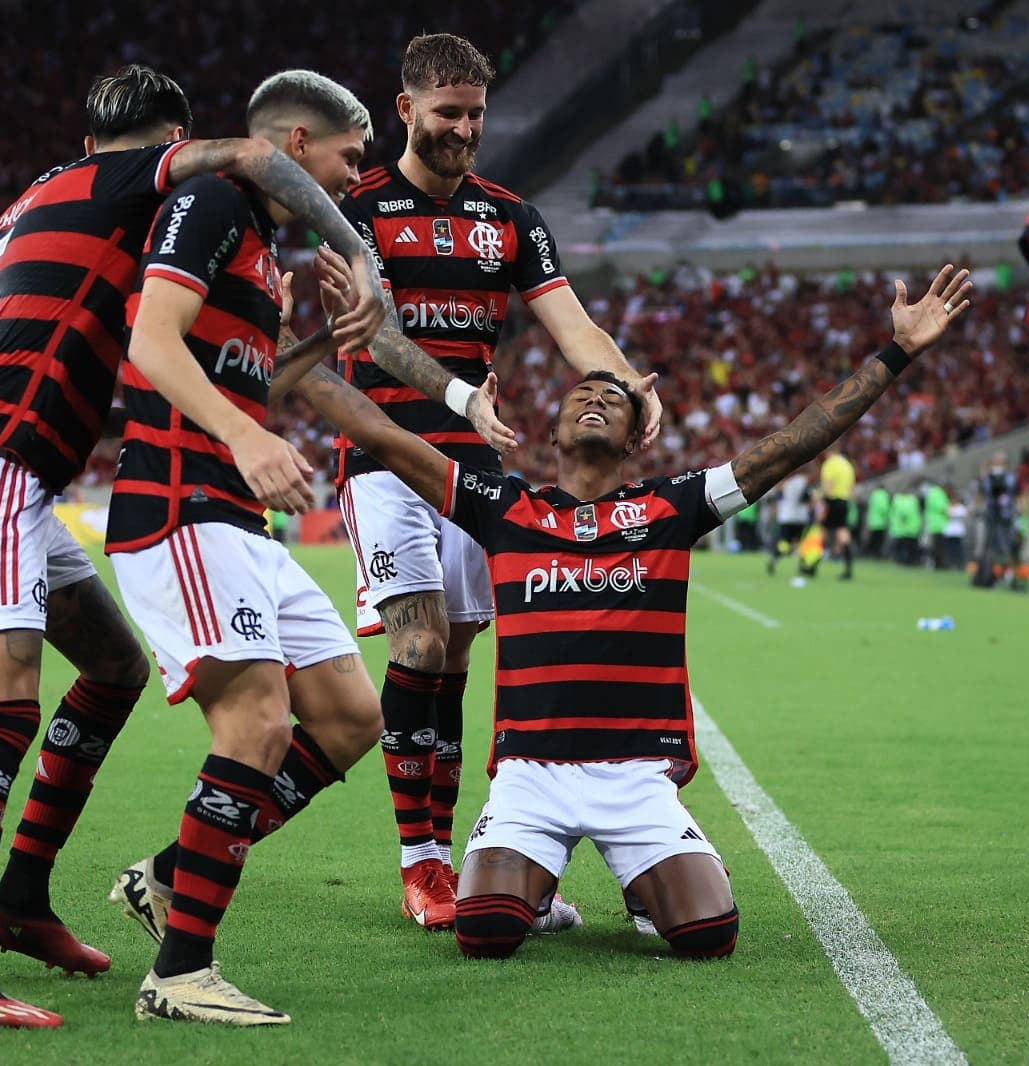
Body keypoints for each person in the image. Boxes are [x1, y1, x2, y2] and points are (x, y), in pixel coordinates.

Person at [0, 64, 387, 1030]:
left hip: (14, 474)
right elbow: (247, 160)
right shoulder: (148, 181)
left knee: (114, 668)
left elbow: (221, 355)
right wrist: (360, 257)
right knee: (3, 706)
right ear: (164, 148)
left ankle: (21, 900)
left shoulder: (43, 197)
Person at [293, 265, 971, 962]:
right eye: (580, 393)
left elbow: (793, 444)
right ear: (549, 434)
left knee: (709, 938)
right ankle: (544, 879)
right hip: (532, 775)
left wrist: (899, 353)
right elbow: (377, 433)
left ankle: (640, 874)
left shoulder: (670, 508)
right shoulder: (505, 508)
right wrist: (289, 345)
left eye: (611, 398)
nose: (594, 399)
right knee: (484, 935)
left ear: (633, 438)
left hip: (635, 776)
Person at [102, 69, 491, 1027]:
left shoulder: (264, 249)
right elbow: (151, 342)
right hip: (180, 503)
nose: (353, 176)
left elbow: (256, 379)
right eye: (350, 157)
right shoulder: (210, 201)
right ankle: (182, 970)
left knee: (350, 716)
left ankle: (168, 878)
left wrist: (329, 340)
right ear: (301, 143)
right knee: (259, 726)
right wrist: (241, 438)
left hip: (240, 518)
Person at [329, 33, 661, 929]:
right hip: (390, 452)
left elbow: (573, 322)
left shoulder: (509, 216)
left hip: (477, 468)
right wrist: (459, 391)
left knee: (461, 658)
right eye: (446, 114)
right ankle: (420, 862)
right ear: (404, 110)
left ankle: (452, 853)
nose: (463, 130)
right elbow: (375, 334)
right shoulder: (355, 208)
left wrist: (627, 379)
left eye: (475, 114)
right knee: (420, 647)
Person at [973, 453, 1017, 588]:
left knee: (1006, 548)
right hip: (991, 517)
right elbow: (983, 493)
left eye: (999, 462)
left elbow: (1011, 493)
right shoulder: (988, 478)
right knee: (988, 548)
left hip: (1005, 518)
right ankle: (988, 575)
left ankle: (1010, 576)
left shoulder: (1010, 477)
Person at [765, 466, 812, 576]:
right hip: (798, 518)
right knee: (800, 543)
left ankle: (775, 558)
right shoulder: (803, 482)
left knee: (785, 542)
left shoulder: (789, 482)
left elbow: (779, 495)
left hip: (786, 516)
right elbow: (804, 498)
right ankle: (803, 566)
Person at [818, 450, 856, 579]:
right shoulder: (848, 465)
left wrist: (824, 501)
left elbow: (828, 486)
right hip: (844, 501)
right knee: (842, 532)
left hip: (832, 501)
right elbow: (851, 488)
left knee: (821, 531)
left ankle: (812, 564)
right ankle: (848, 568)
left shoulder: (829, 464)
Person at [862, 483, 890, 558]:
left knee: (872, 539)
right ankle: (877, 554)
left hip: (873, 520)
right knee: (879, 540)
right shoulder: (884, 495)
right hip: (881, 521)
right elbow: (884, 508)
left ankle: (869, 553)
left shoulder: (873, 495)